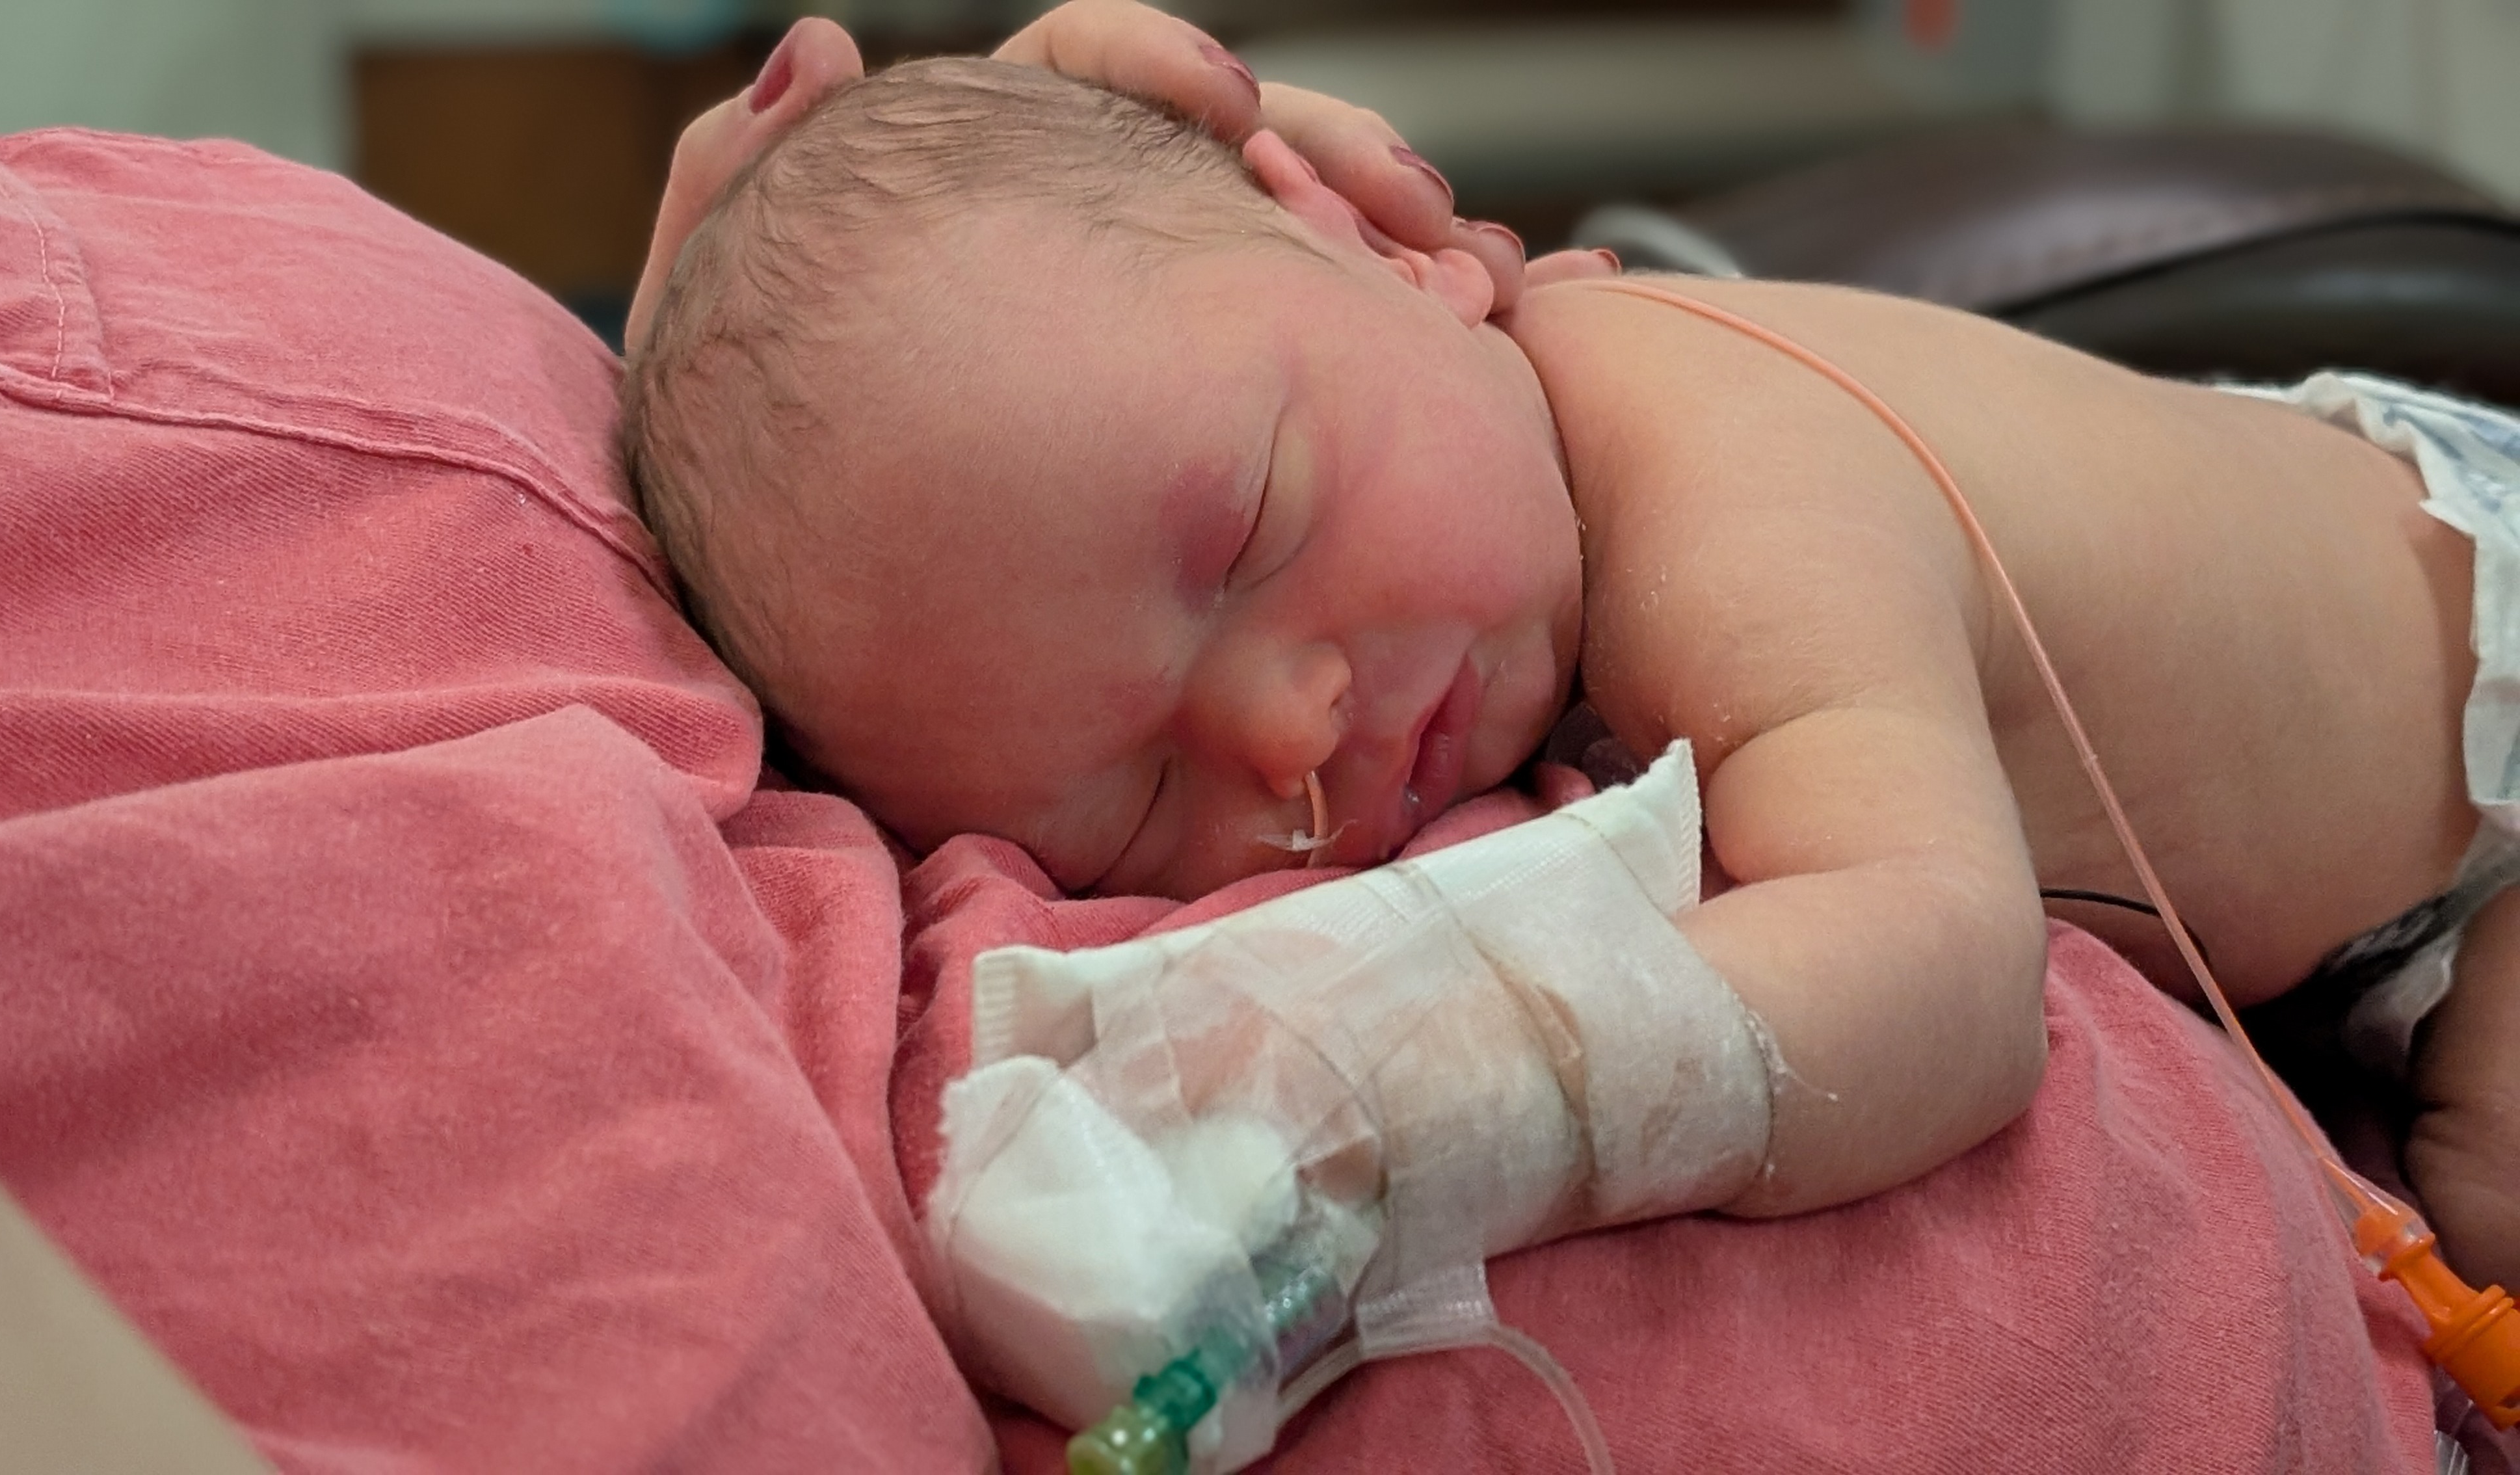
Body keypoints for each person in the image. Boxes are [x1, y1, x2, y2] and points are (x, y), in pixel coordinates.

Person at [620, 51, 2520, 1299]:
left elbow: (1950, 968)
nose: (1287, 737)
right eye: (1137, 800)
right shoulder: (1434, 520)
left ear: (1388, 250)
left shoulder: (1721, 490)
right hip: (2361, 929)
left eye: (1253, 528)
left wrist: (1479, 1089)